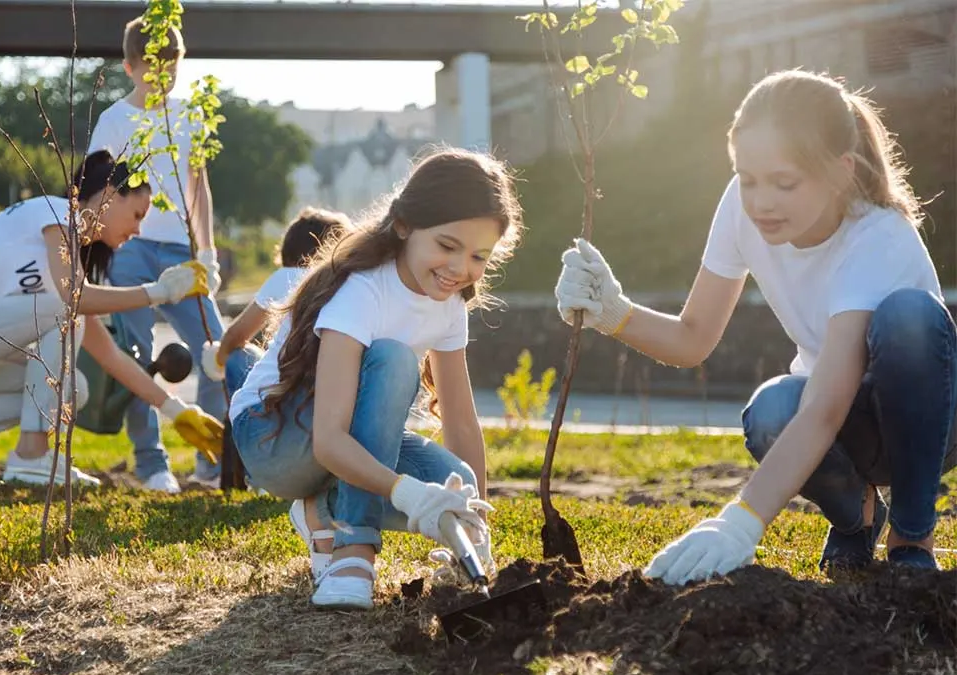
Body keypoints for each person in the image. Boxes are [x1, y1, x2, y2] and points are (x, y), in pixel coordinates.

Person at [555, 69, 955, 584]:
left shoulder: (879, 238)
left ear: (840, 172)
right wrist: (614, 313)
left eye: (784, 183)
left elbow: (826, 408)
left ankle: (912, 532)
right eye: (748, 179)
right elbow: (692, 338)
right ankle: (857, 518)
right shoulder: (743, 209)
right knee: (771, 410)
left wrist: (740, 521)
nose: (761, 200)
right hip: (841, 423)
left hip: (930, 422)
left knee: (909, 318)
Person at [228, 148, 523, 609]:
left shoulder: (449, 305)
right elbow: (329, 440)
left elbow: (462, 426)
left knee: (455, 481)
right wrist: (408, 494)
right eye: (447, 246)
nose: (460, 269)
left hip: (343, 438)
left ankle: (319, 509)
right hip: (274, 436)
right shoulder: (362, 289)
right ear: (404, 226)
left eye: (478, 256)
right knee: (393, 358)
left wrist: (475, 525)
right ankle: (352, 550)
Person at [0, 150, 224, 486]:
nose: (138, 230)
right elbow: (74, 299)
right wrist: (160, 292)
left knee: (72, 388)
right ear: (111, 194)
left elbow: (111, 356)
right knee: (66, 312)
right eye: (137, 214)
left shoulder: (67, 271)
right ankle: (32, 457)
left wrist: (176, 410)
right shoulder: (54, 211)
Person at [87, 15, 226, 494]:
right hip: (129, 249)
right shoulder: (114, 121)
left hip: (181, 251)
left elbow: (199, 186)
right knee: (137, 355)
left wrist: (206, 254)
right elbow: (96, 192)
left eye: (171, 63)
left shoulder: (191, 114)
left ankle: (212, 463)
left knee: (216, 352)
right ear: (129, 66)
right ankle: (152, 464)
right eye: (151, 65)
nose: (162, 73)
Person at [200, 206, 354, 398]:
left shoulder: (287, 277)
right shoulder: (348, 283)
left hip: (285, 391)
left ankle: (238, 423)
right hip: (333, 391)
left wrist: (217, 360)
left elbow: (236, 335)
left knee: (238, 356)